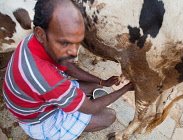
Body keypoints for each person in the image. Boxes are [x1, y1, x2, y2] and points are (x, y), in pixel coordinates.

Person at [2, 0, 134, 139]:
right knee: (109, 116)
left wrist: (102, 81)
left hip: (29, 103)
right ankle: (64, 132)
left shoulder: (33, 40)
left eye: (77, 42)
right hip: (39, 122)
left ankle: (70, 110)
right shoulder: (47, 79)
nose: (73, 53)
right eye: (65, 42)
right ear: (41, 34)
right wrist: (125, 89)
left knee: (96, 85)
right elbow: (90, 107)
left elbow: (68, 67)